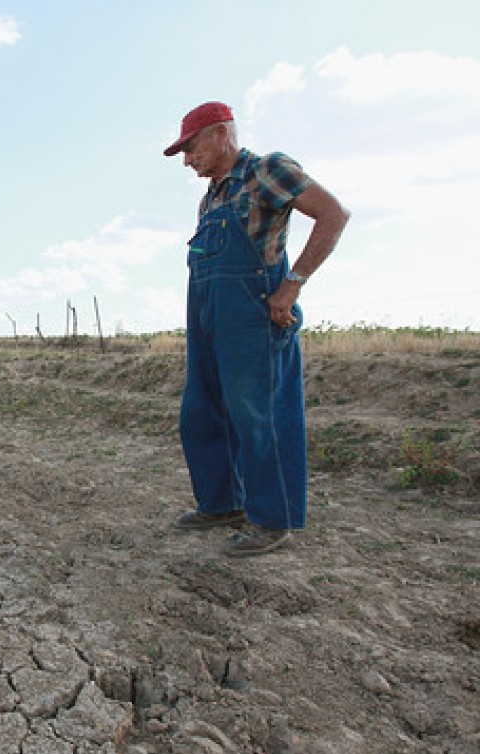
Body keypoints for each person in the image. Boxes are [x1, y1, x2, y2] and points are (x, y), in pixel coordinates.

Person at [164, 101, 350, 556]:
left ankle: (272, 518)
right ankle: (222, 502)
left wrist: (292, 286)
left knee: (258, 412)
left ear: (220, 134)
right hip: (208, 313)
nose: (187, 160)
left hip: (253, 312)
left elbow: (333, 214)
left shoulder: (267, 170)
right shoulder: (211, 196)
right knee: (201, 408)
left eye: (190, 148)